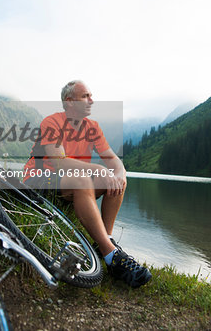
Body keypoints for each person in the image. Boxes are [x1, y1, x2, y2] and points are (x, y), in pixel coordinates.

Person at [23, 80, 152, 288]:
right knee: (85, 178)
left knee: (116, 180)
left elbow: (113, 159)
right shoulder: (52, 122)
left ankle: (105, 242)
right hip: (39, 178)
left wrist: (119, 173)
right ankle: (111, 255)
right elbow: (59, 162)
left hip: (70, 182)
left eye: (91, 96)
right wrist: (100, 169)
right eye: (85, 96)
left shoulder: (93, 127)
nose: (92, 100)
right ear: (69, 102)